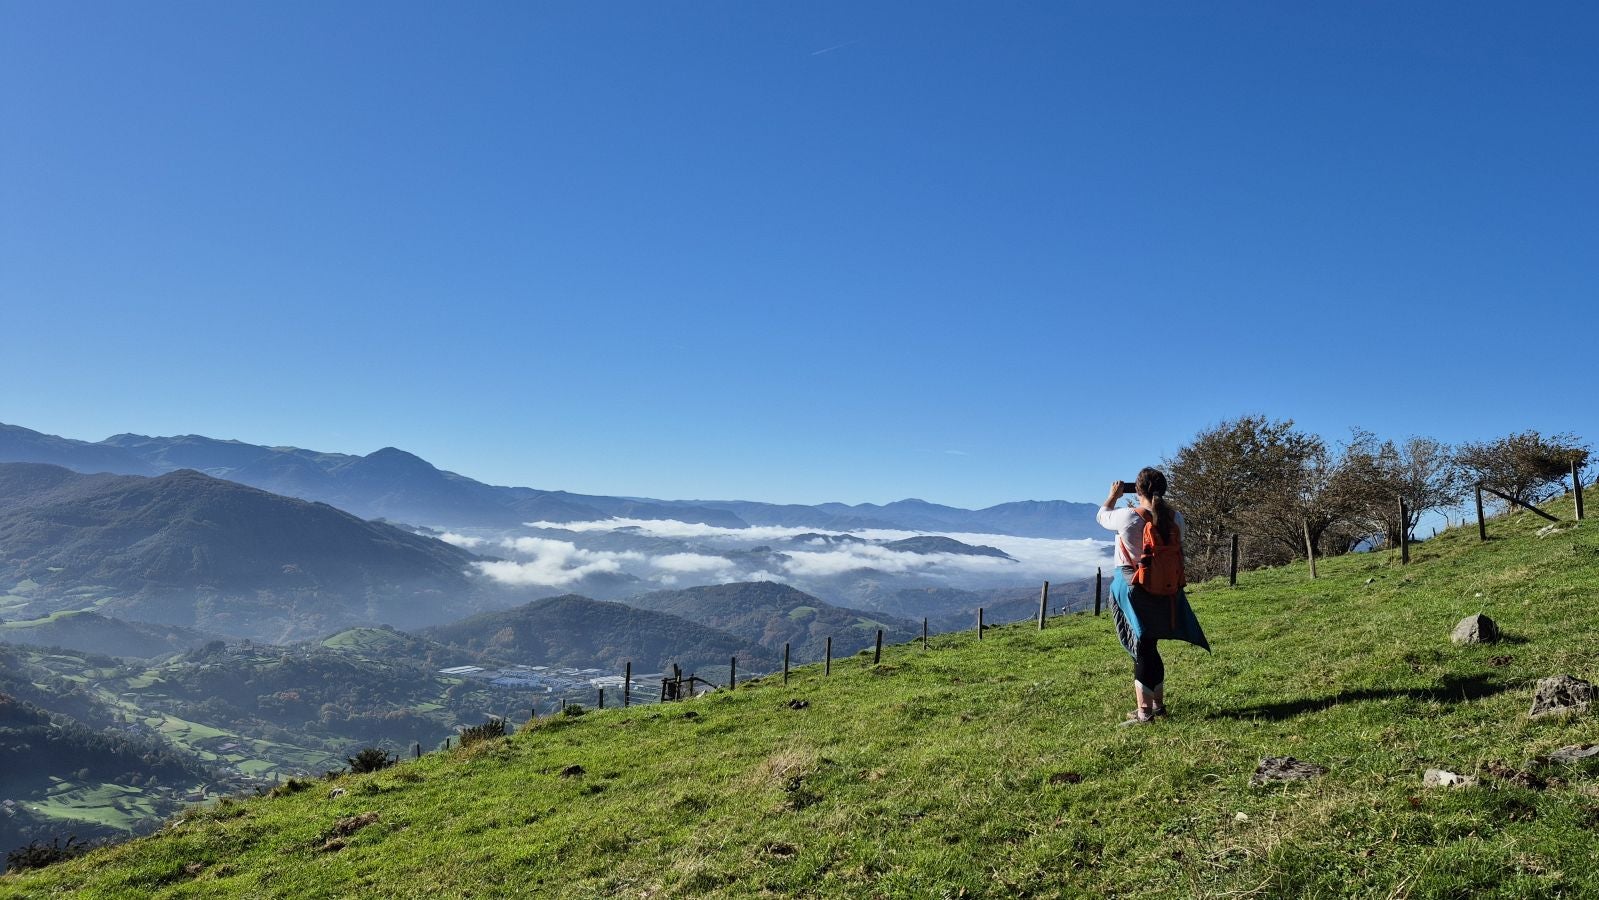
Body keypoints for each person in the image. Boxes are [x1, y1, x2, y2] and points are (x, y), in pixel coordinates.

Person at [1097, 467, 1209, 726]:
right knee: (1150, 645)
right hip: (1167, 588)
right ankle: (1157, 708)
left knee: (1142, 649)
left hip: (1135, 586)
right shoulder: (1176, 518)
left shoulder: (1128, 517)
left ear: (1137, 491)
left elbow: (1102, 517)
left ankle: (1144, 713)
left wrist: (1112, 496)